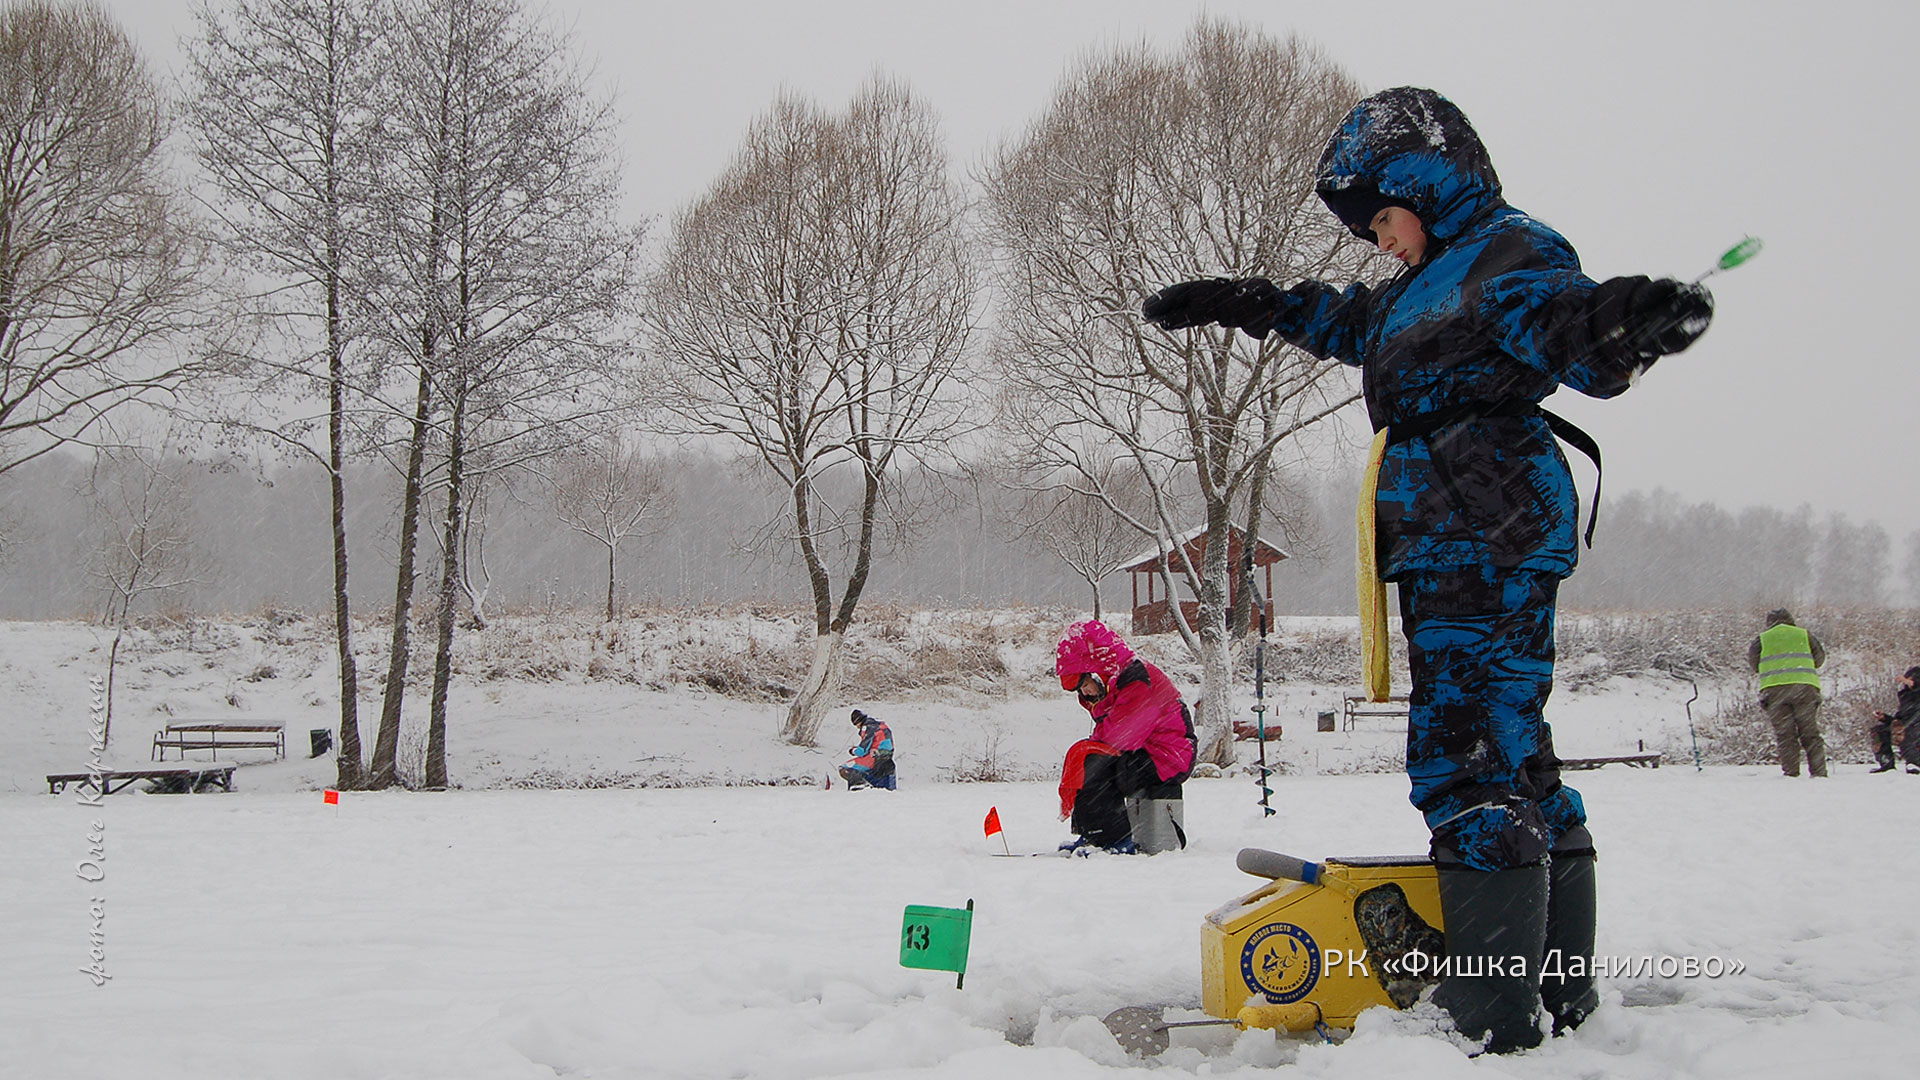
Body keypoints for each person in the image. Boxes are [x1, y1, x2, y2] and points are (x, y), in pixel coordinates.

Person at [1141, 87, 1714, 1052]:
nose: (1378, 242)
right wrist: (1247, 304)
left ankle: (1490, 1020)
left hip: (1482, 530)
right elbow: (1351, 323)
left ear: (1424, 186)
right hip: (1455, 532)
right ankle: (1556, 997)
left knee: (1468, 762)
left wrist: (1627, 323)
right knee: (1515, 755)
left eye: (1381, 218)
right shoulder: (1426, 282)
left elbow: (1566, 324)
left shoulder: (1507, 255)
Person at [1053, 620, 1196, 855]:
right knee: (1092, 759)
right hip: (1149, 751)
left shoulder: (1137, 678)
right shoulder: (1118, 680)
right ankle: (1093, 835)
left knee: (1096, 764)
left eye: (1083, 685)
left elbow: (1120, 737)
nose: (1084, 693)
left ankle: (1112, 838)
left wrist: (1098, 710)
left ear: (1098, 672)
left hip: (1169, 756)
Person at [1747, 609, 1827, 778]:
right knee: (1810, 733)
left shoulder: (1762, 639)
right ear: (1791, 620)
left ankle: (1791, 773)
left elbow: (1754, 665)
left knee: (1785, 735)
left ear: (1769, 622)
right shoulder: (1804, 635)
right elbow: (1819, 660)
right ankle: (1819, 772)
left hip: (1775, 691)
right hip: (1805, 689)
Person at [1868, 665, 1919, 773]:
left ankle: (1915, 762)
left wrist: (1913, 683)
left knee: (1908, 730)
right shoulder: (1907, 697)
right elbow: (1899, 719)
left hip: (1915, 727)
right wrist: (1885, 718)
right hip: (1906, 725)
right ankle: (1886, 763)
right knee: (1879, 731)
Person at [838, 709, 895, 790]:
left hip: (874, 758)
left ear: (858, 722)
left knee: (845, 768)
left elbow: (862, 751)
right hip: (885, 758)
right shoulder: (880, 726)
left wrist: (853, 750)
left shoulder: (868, 728)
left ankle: (862, 785)